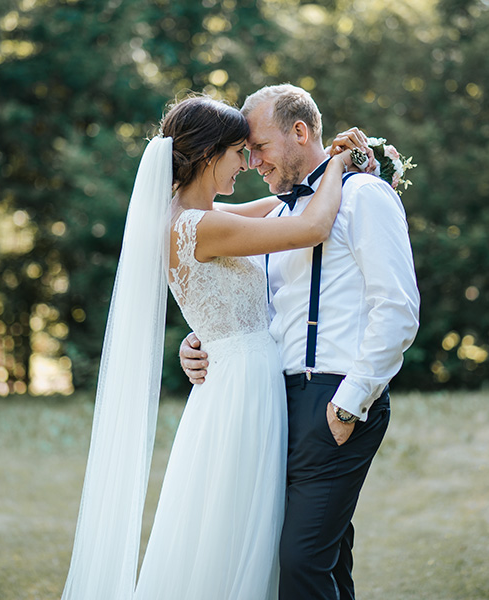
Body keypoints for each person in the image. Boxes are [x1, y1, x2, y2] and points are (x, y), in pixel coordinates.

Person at [60, 95, 358, 600]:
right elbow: (309, 227)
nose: (247, 163)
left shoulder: (192, 215)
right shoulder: (200, 226)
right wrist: (339, 166)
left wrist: (318, 171)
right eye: (239, 152)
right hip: (244, 388)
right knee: (245, 527)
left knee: (233, 526)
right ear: (207, 154)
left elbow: (278, 206)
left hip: (230, 378)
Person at [180, 84, 420, 600]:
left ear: (300, 131)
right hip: (276, 404)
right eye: (244, 152)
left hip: (334, 399)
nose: (252, 161)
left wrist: (351, 403)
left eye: (259, 147)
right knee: (325, 560)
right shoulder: (280, 215)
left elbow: (397, 308)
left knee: (301, 562)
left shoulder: (363, 195)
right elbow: (259, 310)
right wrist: (201, 339)